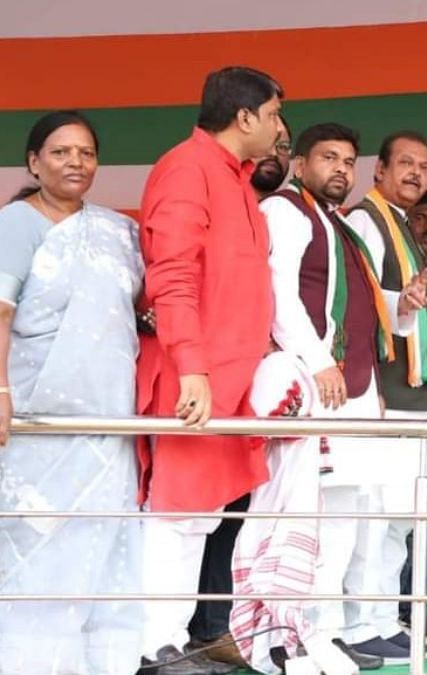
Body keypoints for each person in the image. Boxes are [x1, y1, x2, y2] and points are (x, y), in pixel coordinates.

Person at [260, 121, 427, 668]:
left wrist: (402, 305)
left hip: (354, 389)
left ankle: (326, 630)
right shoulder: (286, 212)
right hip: (318, 385)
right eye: (328, 158)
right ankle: (290, 634)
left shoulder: (334, 222)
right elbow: (280, 294)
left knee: (345, 518)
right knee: (310, 517)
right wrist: (317, 364)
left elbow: (361, 302)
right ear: (299, 165)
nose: (340, 169)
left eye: (347, 161)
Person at [136, 65, 285, 675]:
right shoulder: (186, 169)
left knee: (205, 515)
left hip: (231, 378)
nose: (279, 129)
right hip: (193, 378)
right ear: (244, 116)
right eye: (274, 115)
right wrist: (192, 369)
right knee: (178, 512)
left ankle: (182, 638)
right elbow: (170, 274)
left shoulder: (236, 180)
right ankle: (152, 645)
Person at [0, 111, 143, 675]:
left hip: (108, 420)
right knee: (35, 541)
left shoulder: (114, 229)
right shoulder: (17, 223)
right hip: (39, 422)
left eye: (85, 152)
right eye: (60, 152)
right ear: (34, 162)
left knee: (99, 541)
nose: (75, 163)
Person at [343, 131, 427, 650]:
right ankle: (358, 624)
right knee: (376, 517)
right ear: (379, 171)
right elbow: (361, 304)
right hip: (389, 394)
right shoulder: (366, 219)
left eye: (424, 166)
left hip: (422, 399)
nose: (415, 173)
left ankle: (384, 620)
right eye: (405, 163)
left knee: (403, 521)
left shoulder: (405, 227)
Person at [187, 112, 293, 671]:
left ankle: (222, 626)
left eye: (286, 143)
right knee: (199, 512)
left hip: (259, 383)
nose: (277, 146)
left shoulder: (265, 210)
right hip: (205, 379)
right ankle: (192, 631)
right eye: (273, 132)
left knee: (241, 510)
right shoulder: (208, 190)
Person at [249, 116, 292, 199]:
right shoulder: (220, 200)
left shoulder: (297, 206)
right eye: (265, 143)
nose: (274, 153)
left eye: (283, 146)